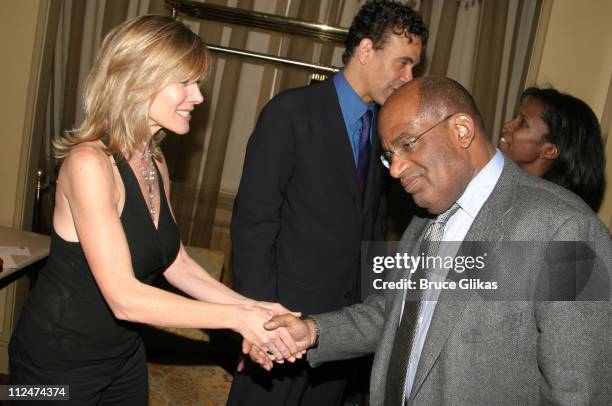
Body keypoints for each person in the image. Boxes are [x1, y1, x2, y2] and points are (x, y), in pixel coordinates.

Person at [258, 76, 612, 405]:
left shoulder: (570, 230)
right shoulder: (424, 221)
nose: (395, 171)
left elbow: (581, 390)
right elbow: (391, 311)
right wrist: (313, 331)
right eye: (389, 156)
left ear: (461, 130)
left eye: (407, 145)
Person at [8, 15, 301, 405]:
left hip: (123, 356)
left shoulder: (154, 161)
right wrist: (237, 320)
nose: (197, 96)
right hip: (54, 361)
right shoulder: (88, 164)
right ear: (136, 78)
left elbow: (176, 262)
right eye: (185, 82)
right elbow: (125, 298)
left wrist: (254, 308)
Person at [227, 1, 428, 405]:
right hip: (281, 330)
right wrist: (263, 325)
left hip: (337, 338)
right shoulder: (290, 112)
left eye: (414, 69)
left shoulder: (383, 131)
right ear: (367, 50)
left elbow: (371, 228)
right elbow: (254, 225)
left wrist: (366, 317)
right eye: (403, 64)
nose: (408, 79)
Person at [499, 87, 605, 211]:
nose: (507, 125)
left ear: (549, 151)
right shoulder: (508, 189)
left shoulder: (547, 212)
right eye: (514, 117)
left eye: (523, 123)